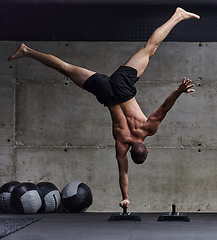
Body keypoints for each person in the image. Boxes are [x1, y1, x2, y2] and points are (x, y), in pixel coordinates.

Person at [8, 7, 200, 209]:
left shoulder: (148, 129)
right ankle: (27, 51)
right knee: (64, 68)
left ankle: (177, 15)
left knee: (149, 48)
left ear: (147, 149)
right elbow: (123, 173)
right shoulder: (121, 145)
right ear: (133, 152)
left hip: (122, 86)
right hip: (106, 94)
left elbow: (164, 108)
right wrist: (125, 196)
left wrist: (179, 91)